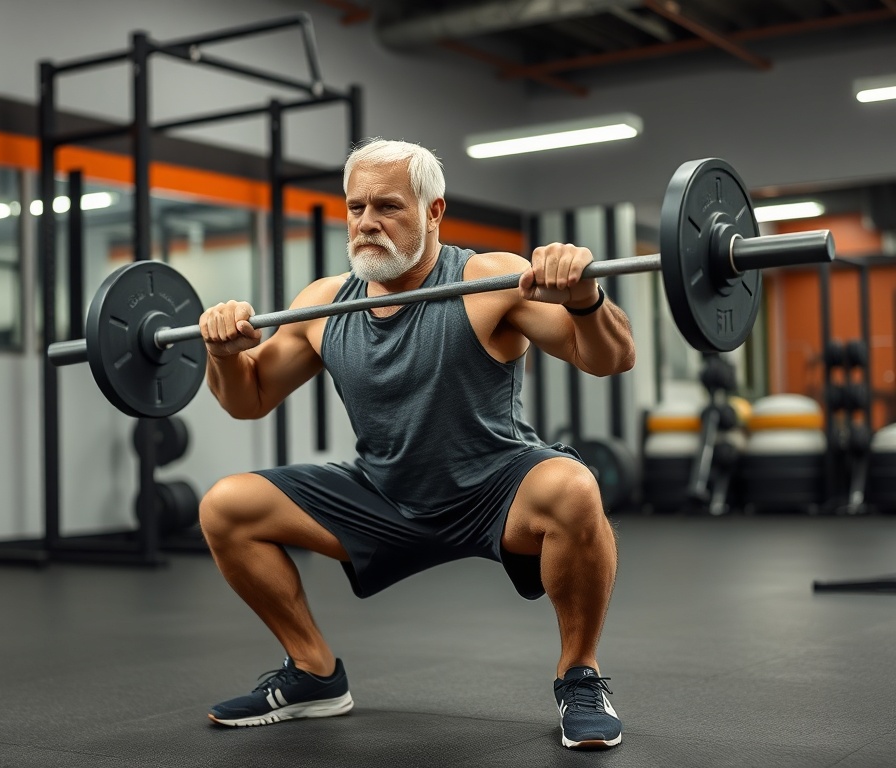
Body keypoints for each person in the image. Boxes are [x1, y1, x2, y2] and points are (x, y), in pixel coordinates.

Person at [197, 138, 635, 749]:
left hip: (495, 489)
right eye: (355, 208)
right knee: (226, 505)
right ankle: (314, 673)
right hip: (382, 494)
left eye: (388, 206)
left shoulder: (488, 279)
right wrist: (221, 355)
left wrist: (586, 299)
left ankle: (580, 676)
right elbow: (247, 399)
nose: (367, 223)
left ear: (433, 211)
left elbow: (611, 358)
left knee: (574, 487)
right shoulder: (322, 304)